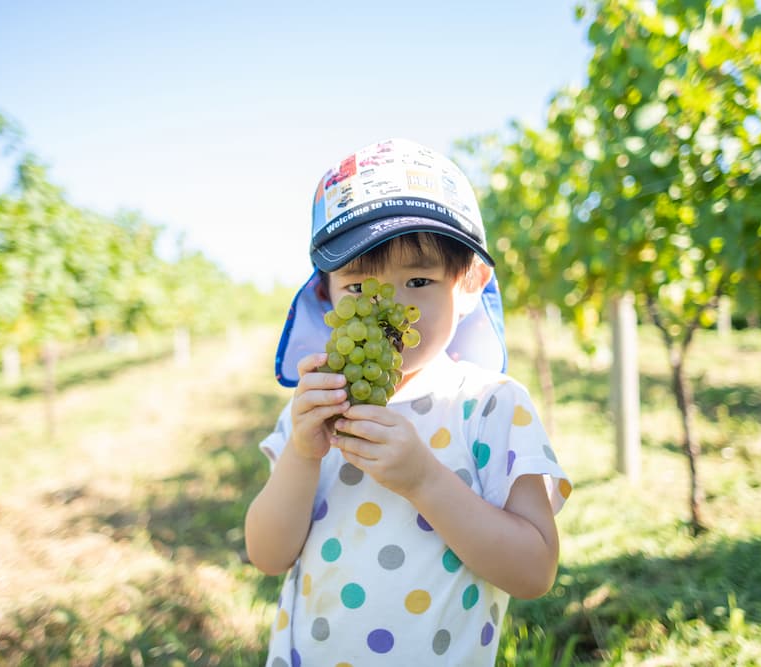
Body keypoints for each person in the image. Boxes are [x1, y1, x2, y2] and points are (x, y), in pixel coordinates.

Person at [244, 137, 572, 666]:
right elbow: (266, 554)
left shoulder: (489, 406)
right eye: (356, 286)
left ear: (469, 285)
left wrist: (424, 480)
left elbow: (534, 572)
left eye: (417, 280)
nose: (385, 305)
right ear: (325, 295)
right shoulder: (314, 411)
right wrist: (303, 455)